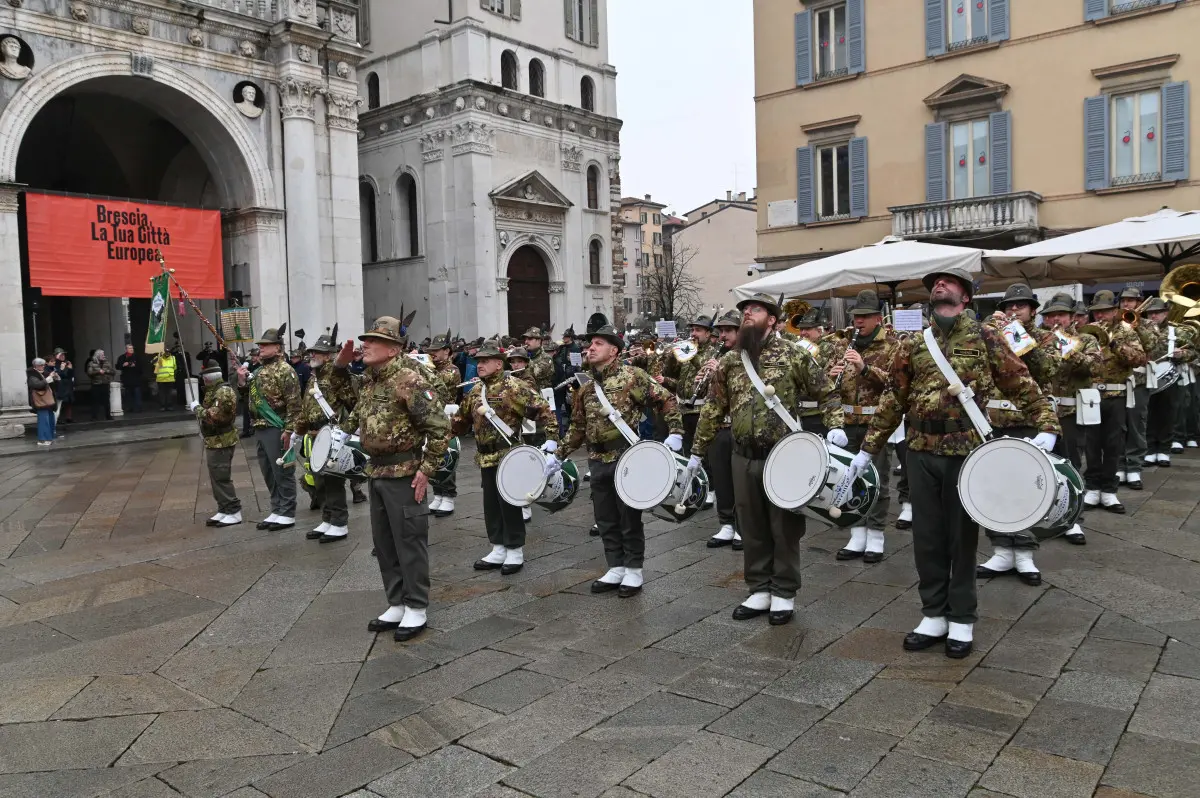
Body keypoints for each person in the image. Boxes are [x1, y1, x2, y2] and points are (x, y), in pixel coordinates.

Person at [849, 268, 1058, 658]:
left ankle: (961, 616)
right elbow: (894, 398)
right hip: (921, 449)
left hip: (965, 451)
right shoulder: (913, 341)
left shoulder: (986, 335)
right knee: (926, 538)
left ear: (966, 296)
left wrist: (1047, 423)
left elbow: (1019, 381)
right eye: (933, 284)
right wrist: (868, 449)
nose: (938, 286)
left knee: (961, 540)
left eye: (949, 282)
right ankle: (933, 613)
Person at [691, 293, 844, 626]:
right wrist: (695, 452)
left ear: (772, 319)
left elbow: (828, 390)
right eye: (745, 310)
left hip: (783, 456)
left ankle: (784, 592)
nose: (747, 314)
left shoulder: (792, 354)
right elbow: (715, 408)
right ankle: (759, 588)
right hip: (742, 455)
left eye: (755, 310)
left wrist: (835, 427)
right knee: (751, 524)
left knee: (783, 526)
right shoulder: (732, 361)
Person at [549, 324, 683, 597]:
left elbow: (666, 400)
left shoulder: (633, 376)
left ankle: (634, 569)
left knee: (628, 515)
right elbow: (577, 427)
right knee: (604, 515)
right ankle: (615, 565)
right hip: (597, 458)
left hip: (627, 457)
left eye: (598, 343)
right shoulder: (585, 387)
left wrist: (676, 433)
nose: (591, 348)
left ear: (614, 350)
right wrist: (558, 455)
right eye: (590, 344)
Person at [345, 316, 449, 642]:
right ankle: (396, 602)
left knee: (409, 542)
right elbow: (351, 421)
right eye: (366, 339)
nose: (365, 344)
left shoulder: (410, 380)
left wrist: (426, 470)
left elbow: (439, 428)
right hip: (376, 471)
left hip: (404, 473)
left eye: (373, 340)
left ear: (392, 349)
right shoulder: (369, 381)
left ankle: (417, 605)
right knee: (384, 543)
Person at [976, 284, 1064, 585]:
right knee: (993, 487)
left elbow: (1048, 369)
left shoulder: (1046, 337)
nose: (1014, 310)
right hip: (993, 422)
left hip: (1028, 420)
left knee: (1028, 488)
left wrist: (1016, 334)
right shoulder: (991, 334)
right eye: (1009, 306)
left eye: (1021, 306)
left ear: (1033, 311)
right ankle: (1000, 548)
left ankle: (1025, 552)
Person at [449, 340, 558, 574]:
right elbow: (460, 421)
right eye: (478, 361)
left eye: (485, 361)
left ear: (499, 364)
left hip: (509, 454)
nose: (480, 365)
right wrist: (442, 429)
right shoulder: (476, 390)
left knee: (509, 502)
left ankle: (515, 550)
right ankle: (498, 547)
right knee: (491, 503)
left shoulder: (514, 386)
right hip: (485, 455)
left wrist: (552, 438)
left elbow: (543, 409)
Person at [829, 290, 901, 564]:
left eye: (863, 317)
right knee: (847, 479)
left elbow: (897, 385)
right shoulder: (843, 345)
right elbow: (828, 389)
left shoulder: (892, 346)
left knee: (878, 481)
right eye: (855, 317)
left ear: (877, 318)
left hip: (876, 424)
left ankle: (876, 535)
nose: (858, 322)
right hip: (847, 423)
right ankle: (856, 533)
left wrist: (865, 369)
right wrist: (830, 375)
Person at [294, 327, 359, 543]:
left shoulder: (337, 376)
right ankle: (327, 518)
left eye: (318, 352)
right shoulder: (314, 376)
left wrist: (347, 430)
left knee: (333, 481)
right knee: (319, 481)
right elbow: (306, 406)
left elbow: (353, 404)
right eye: (312, 352)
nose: (312, 355)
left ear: (329, 355)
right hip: (314, 434)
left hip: (332, 434)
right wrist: (297, 430)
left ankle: (339, 522)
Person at [1084, 291, 1147, 507]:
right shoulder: (1086, 332)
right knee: (1091, 444)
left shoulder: (1126, 330)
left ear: (1114, 311)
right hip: (1090, 395)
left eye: (1105, 311)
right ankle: (1092, 487)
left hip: (1116, 394)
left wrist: (1113, 343)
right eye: (1097, 311)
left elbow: (1139, 359)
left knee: (1114, 443)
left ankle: (1109, 490)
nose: (1101, 315)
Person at [237, 324, 301, 531]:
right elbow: (248, 400)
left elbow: (294, 404)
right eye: (260, 345)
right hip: (260, 426)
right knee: (268, 472)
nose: (261, 348)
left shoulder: (286, 371)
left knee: (282, 470)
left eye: (266, 345)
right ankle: (277, 508)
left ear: (278, 348)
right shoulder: (259, 371)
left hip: (278, 426)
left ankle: (288, 511)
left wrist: (289, 430)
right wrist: (242, 382)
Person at [702, 309, 743, 551]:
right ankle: (726, 522)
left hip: (739, 426)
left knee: (740, 480)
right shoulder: (715, 354)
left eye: (728, 330)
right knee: (721, 477)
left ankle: (742, 526)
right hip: (719, 426)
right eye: (721, 331)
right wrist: (706, 377)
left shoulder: (745, 356)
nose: (723, 335)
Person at [189, 365, 242, 527]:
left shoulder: (223, 392)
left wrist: (197, 409)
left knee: (221, 477)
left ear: (208, 378)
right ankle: (224, 509)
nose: (202, 380)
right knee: (215, 477)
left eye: (204, 378)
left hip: (222, 440)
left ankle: (234, 511)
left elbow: (217, 416)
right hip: (214, 440)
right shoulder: (214, 390)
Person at [1143, 298, 1194, 466]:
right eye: (1151, 313)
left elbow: (1193, 352)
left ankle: (1164, 449)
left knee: (1168, 414)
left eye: (1157, 312)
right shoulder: (1141, 330)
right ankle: (1150, 449)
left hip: (1170, 378)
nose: (1154, 316)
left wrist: (1182, 355)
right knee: (1148, 414)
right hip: (1146, 376)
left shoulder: (1177, 331)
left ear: (1165, 313)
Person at [660, 314, 720, 457]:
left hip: (700, 411)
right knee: (684, 453)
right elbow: (671, 374)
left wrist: (690, 354)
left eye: (698, 330)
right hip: (682, 410)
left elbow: (704, 370)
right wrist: (671, 356)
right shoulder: (687, 350)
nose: (693, 334)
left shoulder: (714, 352)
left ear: (708, 333)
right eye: (692, 330)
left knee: (700, 454)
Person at [1118, 287, 1160, 487]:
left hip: (1139, 382)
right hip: (1117, 381)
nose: (1126, 304)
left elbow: (1153, 346)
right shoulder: (1114, 324)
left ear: (1139, 303)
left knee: (1136, 424)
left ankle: (1134, 467)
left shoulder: (1149, 324)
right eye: (1123, 301)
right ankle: (1118, 465)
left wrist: (1136, 324)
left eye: (1131, 301)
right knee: (1117, 426)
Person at [791, 309, 843, 436]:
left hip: (819, 414)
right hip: (797, 413)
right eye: (801, 329)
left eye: (807, 329)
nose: (803, 333)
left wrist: (830, 376)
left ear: (819, 331)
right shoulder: (795, 347)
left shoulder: (832, 348)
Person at [427, 330, 461, 517]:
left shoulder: (451, 370)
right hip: (431, 416)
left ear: (447, 351)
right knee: (431, 454)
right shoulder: (432, 367)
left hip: (445, 416)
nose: (434, 353)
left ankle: (448, 494)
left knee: (446, 455)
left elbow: (437, 386)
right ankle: (438, 493)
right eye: (432, 350)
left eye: (438, 350)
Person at [28, 358, 57, 446]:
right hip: (41, 401)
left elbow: (49, 384)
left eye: (44, 365)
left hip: (47, 400)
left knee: (50, 419)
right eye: (42, 365)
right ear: (36, 366)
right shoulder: (32, 374)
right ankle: (43, 439)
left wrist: (54, 377)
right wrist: (48, 378)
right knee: (43, 420)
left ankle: (49, 437)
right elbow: (37, 385)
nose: (44, 366)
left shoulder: (41, 373)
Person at [522, 327, 555, 391]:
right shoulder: (526, 354)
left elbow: (536, 373)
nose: (526, 341)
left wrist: (522, 356)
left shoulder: (546, 358)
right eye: (525, 339)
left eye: (530, 339)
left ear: (539, 340)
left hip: (540, 396)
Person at [86, 350, 115, 421]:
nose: (104, 356)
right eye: (102, 354)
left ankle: (108, 416)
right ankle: (94, 417)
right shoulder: (91, 363)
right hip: (96, 384)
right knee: (95, 401)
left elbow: (113, 372)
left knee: (106, 401)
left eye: (103, 354)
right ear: (98, 355)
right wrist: (98, 372)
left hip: (105, 384)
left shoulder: (107, 363)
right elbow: (89, 373)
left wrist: (106, 371)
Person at [52, 348, 75, 424]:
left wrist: (70, 369)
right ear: (56, 355)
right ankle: (57, 418)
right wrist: (62, 369)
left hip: (68, 384)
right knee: (60, 402)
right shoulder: (54, 364)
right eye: (61, 355)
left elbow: (70, 375)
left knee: (69, 401)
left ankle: (69, 417)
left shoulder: (67, 362)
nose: (63, 356)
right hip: (60, 385)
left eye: (63, 354)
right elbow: (58, 375)